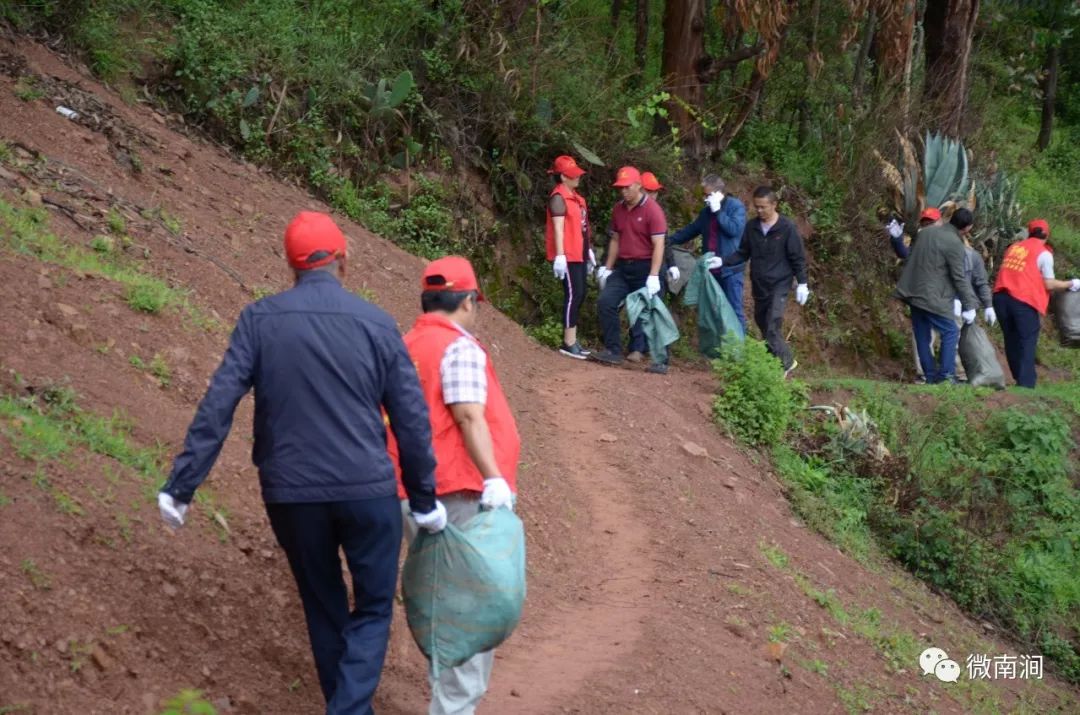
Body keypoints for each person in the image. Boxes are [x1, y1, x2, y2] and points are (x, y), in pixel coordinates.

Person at [157, 211, 446, 715]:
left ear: (290, 266)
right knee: (374, 608)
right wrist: (424, 500)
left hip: (292, 495)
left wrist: (182, 486)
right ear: (343, 259)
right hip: (367, 491)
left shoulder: (260, 320)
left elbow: (219, 403)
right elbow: (411, 421)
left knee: (323, 606)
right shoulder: (377, 324)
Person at [390, 255, 521, 715]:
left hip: (413, 493)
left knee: (446, 601)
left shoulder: (406, 343)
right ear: (467, 301)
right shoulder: (457, 347)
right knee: (467, 609)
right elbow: (468, 416)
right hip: (454, 494)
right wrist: (495, 478)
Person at [713, 186, 808, 377]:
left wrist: (803, 283)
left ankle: (786, 363)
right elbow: (743, 253)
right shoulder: (752, 227)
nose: (759, 211)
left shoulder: (787, 228)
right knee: (763, 323)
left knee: (773, 324)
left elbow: (798, 257)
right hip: (759, 282)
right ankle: (772, 364)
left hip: (780, 283)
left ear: (774, 205)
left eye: (763, 207)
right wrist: (723, 260)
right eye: (756, 207)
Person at [592, 166, 670, 374]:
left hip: (646, 267)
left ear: (638, 186)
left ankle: (660, 360)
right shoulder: (618, 209)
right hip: (623, 267)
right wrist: (607, 268)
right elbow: (616, 239)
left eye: (627, 187)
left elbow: (659, 244)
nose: (624, 191)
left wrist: (654, 275)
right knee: (606, 302)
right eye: (621, 188)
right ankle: (613, 350)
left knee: (652, 311)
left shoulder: (653, 210)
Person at [895, 208, 980, 384]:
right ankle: (946, 376)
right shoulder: (955, 243)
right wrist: (969, 304)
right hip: (932, 296)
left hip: (912, 292)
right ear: (967, 228)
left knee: (922, 335)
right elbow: (959, 277)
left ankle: (931, 377)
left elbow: (909, 257)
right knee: (951, 331)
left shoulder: (926, 233)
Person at [992, 219, 1080, 388]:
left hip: (1000, 298)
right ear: (1046, 234)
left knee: (1011, 339)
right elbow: (1049, 284)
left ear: (1030, 232)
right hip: (1022, 301)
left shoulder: (1014, 247)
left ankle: (1019, 379)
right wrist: (1071, 284)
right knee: (1027, 341)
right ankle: (1026, 385)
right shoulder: (1043, 253)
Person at [669, 174, 748, 331]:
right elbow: (691, 230)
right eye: (704, 194)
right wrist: (667, 241)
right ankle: (720, 350)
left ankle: (740, 351)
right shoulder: (706, 212)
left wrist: (719, 212)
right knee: (715, 310)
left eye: (708, 194)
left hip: (730, 269)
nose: (705, 198)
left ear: (719, 192)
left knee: (734, 309)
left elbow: (734, 230)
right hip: (711, 269)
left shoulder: (735, 207)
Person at [545, 155, 594, 360]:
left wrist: (588, 250)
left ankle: (573, 338)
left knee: (581, 293)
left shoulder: (577, 198)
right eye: (573, 175)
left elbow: (582, 227)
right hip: (568, 254)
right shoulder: (558, 198)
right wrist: (560, 255)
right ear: (564, 177)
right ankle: (568, 342)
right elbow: (558, 229)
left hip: (579, 252)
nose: (578, 178)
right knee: (573, 295)